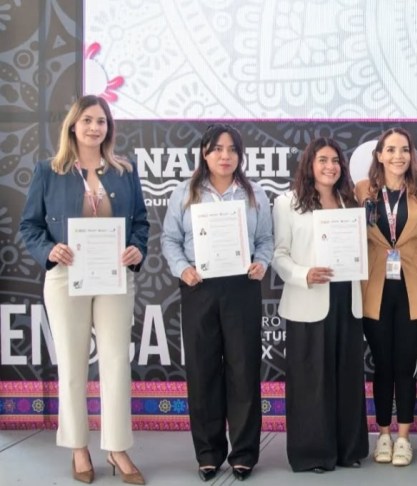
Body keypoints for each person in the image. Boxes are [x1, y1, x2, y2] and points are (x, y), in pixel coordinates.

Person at [19, 94, 149, 485]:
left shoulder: (124, 171)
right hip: (66, 277)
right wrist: (48, 249)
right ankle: (78, 446)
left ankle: (117, 447)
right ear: (73, 125)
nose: (95, 127)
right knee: (73, 364)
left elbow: (141, 223)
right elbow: (30, 226)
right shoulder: (49, 170)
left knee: (116, 362)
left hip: (114, 277)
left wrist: (137, 248)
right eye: (88, 120)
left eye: (102, 121)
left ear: (109, 128)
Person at [161, 124, 273, 482]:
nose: (225, 156)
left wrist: (262, 262)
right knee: (202, 371)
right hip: (199, 287)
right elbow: (169, 239)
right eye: (217, 149)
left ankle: (244, 454)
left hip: (242, 287)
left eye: (232, 149)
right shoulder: (184, 192)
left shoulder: (254, 193)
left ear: (240, 155)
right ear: (204, 153)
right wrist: (183, 269)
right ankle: (208, 454)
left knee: (244, 370)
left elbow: (266, 239)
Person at [272, 137, 369, 473]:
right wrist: (304, 274)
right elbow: (278, 255)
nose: (330, 166)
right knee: (311, 382)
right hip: (308, 299)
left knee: (347, 377)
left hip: (347, 299)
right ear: (310, 165)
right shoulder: (287, 203)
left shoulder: (349, 200)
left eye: (335, 161)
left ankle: (348, 449)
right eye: (323, 160)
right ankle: (313, 453)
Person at [355, 128, 417, 467]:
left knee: (406, 367)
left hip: (414, 289)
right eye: (390, 150)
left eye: (404, 150)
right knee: (383, 366)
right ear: (379, 155)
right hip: (374, 290)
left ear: (412, 155)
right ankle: (383, 435)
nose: (398, 156)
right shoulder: (362, 191)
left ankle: (404, 437)